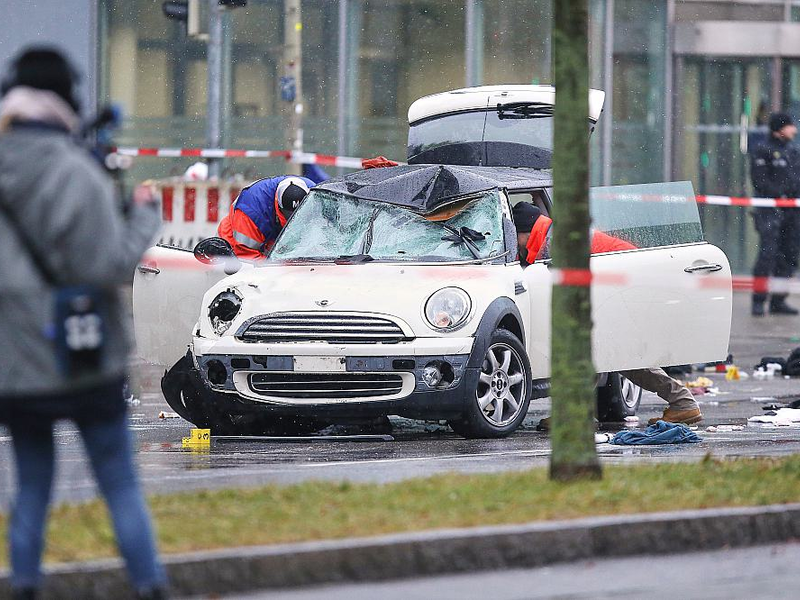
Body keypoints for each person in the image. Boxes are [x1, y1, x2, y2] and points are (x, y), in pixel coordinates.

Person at [0, 48, 167, 599]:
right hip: (85, 353)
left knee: (29, 488)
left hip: (16, 368)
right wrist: (143, 214)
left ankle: (22, 587)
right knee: (118, 481)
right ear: (65, 100)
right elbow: (108, 264)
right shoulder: (77, 170)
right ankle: (148, 587)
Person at [512, 202, 702, 425]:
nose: (516, 246)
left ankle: (683, 403)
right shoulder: (552, 235)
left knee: (620, 355)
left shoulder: (556, 244)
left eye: (514, 237)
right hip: (625, 286)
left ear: (524, 233)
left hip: (627, 289)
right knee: (599, 353)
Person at [750, 112, 800, 316]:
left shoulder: (792, 151)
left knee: (788, 256)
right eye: (790, 126)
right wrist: (779, 195)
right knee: (767, 255)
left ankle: (778, 300)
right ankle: (758, 300)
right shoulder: (763, 150)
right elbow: (760, 182)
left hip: (791, 213)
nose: (794, 130)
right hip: (769, 212)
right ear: (779, 128)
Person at [217, 175, 315, 259]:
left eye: (298, 214)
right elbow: (245, 255)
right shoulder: (250, 211)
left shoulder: (315, 195)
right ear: (277, 204)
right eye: (289, 215)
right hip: (235, 246)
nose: (293, 220)